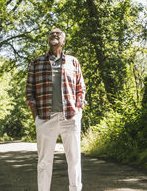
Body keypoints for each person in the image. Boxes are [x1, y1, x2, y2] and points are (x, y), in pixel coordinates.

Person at [26, 28, 86, 191]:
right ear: (48, 40)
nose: (54, 35)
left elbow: (81, 89)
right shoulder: (36, 62)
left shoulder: (73, 62)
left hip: (70, 117)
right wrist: (36, 116)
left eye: (58, 34)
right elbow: (29, 91)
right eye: (51, 34)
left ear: (63, 41)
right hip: (46, 117)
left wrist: (78, 111)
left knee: (74, 159)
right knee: (44, 161)